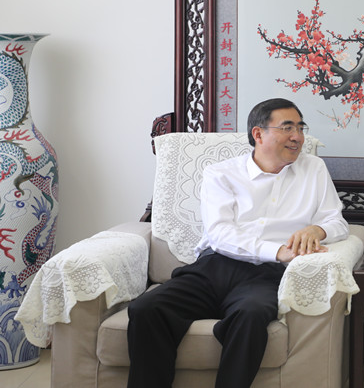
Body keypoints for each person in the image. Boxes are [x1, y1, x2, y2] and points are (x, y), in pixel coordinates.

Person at [127, 98, 349, 388]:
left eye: (300, 127)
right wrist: (278, 251)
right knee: (147, 308)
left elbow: (338, 222)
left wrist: (317, 230)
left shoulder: (314, 169)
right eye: (287, 128)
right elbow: (220, 234)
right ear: (258, 134)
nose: (297, 137)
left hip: (267, 276)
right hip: (213, 268)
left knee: (251, 315)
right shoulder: (221, 173)